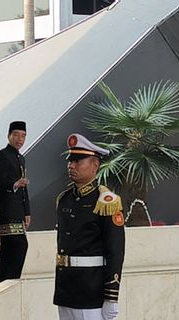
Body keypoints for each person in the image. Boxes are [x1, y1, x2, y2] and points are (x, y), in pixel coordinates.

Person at [53, 134, 125, 320]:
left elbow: (115, 251)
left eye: (78, 161)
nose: (71, 165)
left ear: (95, 165)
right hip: (66, 289)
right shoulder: (64, 199)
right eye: (70, 161)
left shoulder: (106, 201)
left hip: (91, 292)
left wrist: (111, 297)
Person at [0, 121, 31, 283]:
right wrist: (15, 183)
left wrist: (27, 212)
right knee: (17, 245)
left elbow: (24, 188)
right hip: (7, 209)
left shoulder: (20, 158)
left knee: (15, 247)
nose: (19, 139)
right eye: (16, 135)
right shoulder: (2, 155)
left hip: (18, 211)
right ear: (8, 135)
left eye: (23, 136)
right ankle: (6, 281)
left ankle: (10, 281)